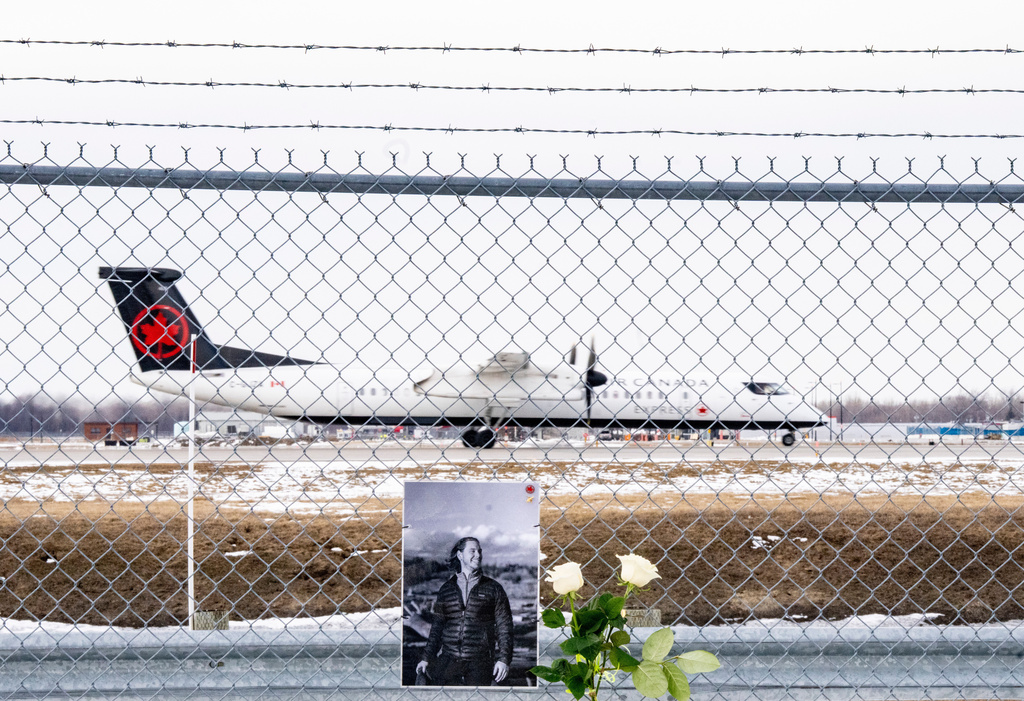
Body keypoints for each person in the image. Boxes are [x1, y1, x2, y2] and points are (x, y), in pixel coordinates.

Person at [416, 537, 513, 686]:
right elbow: (437, 627)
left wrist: (504, 659)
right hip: (449, 659)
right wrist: (426, 657)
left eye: (479, 551)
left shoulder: (494, 588)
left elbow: (504, 626)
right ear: (460, 555)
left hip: (479, 662)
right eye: (472, 551)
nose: (478, 555)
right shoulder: (446, 589)